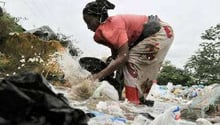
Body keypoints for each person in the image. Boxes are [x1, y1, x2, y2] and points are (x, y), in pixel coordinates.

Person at [82, 0, 174, 104]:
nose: (88, 27)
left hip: (158, 31)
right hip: (163, 32)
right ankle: (138, 100)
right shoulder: (107, 29)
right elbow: (116, 53)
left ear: (99, 17)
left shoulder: (111, 26)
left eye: (89, 22)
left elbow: (123, 57)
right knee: (122, 66)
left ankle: (132, 104)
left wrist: (98, 76)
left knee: (129, 63)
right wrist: (110, 67)